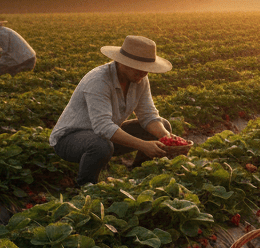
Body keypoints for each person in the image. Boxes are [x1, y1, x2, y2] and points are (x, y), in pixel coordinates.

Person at [49, 35, 175, 186]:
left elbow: (148, 114)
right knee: (101, 146)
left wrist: (168, 138)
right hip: (70, 140)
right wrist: (143, 145)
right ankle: (86, 186)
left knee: (163, 126)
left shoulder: (139, 79)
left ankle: (138, 174)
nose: (144, 73)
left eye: (147, 69)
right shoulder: (99, 80)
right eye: (139, 68)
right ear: (124, 63)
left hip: (103, 136)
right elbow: (102, 127)